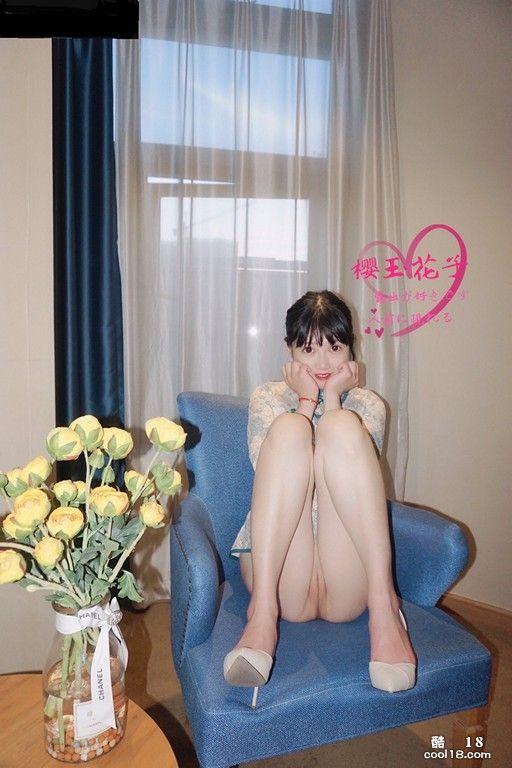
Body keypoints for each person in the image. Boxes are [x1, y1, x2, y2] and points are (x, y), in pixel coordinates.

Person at [223, 290, 417, 707]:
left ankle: (384, 610)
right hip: (280, 576)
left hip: (345, 577)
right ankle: (261, 616)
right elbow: (266, 467)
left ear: (351, 348)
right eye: (308, 349)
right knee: (290, 429)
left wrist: (330, 402)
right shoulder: (268, 397)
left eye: (335, 347)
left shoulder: (367, 404)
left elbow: (354, 485)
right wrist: (306, 402)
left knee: (342, 427)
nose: (323, 362)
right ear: (289, 350)